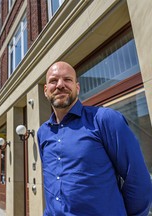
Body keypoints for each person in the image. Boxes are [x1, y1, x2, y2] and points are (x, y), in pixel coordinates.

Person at [37, 61, 152, 215]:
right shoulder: (42, 133)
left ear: (77, 88)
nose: (60, 85)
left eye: (67, 79)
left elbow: (138, 180)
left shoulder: (105, 119)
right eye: (53, 81)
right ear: (46, 90)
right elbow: (51, 183)